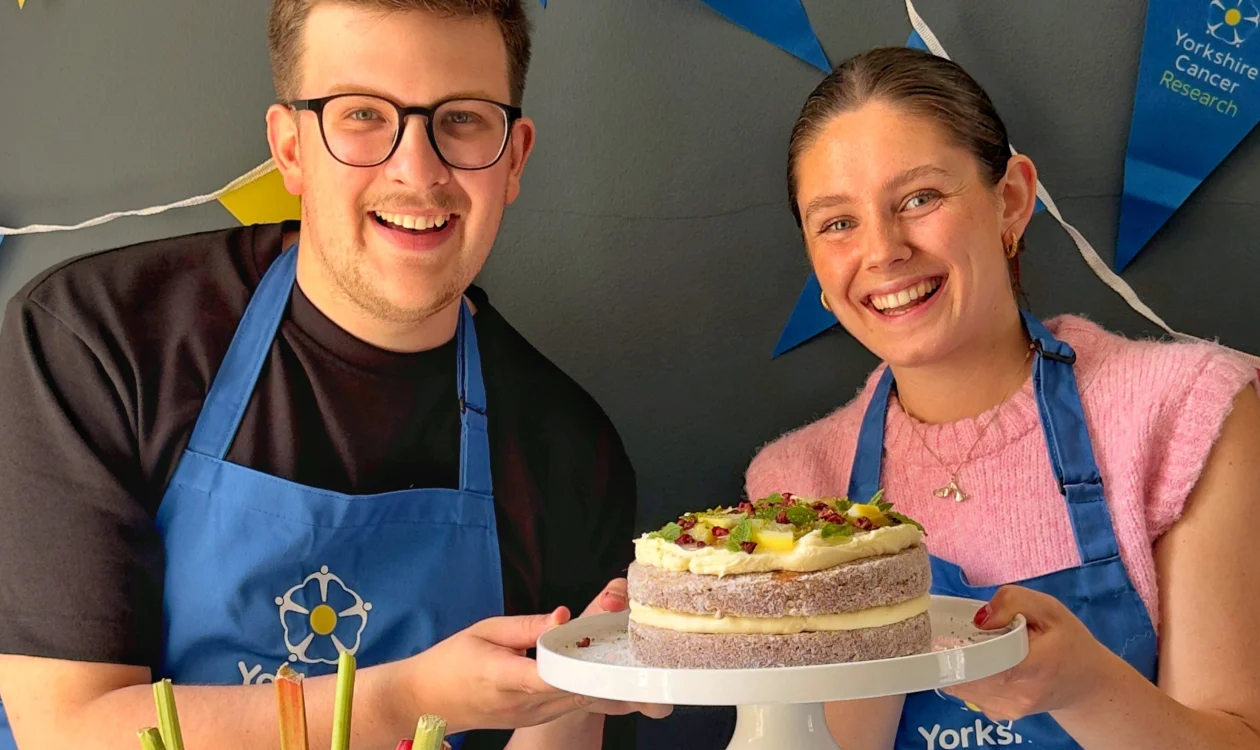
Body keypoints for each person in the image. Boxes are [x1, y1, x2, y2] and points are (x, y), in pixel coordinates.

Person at [0, 1, 670, 748]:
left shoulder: (569, 448)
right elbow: (66, 728)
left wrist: (576, 686)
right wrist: (410, 697)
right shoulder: (99, 337)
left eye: (461, 120)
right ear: (290, 149)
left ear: (513, 158)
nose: (417, 171)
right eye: (361, 116)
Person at [745, 46, 1260, 749]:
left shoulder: (1185, 409)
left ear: (1011, 199)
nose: (884, 250)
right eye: (837, 222)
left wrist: (1081, 687)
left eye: (919, 198)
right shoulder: (795, 488)